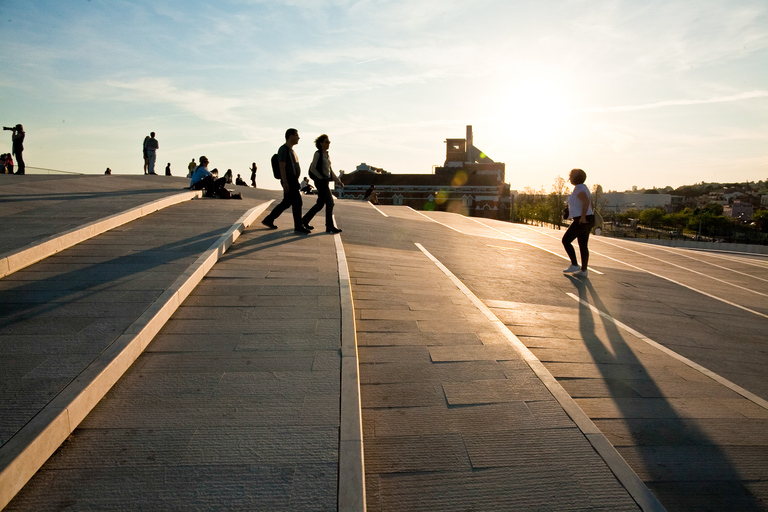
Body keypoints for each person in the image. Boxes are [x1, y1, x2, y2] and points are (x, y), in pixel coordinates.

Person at [261, 129, 309, 234]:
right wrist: (285, 182)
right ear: (290, 136)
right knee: (297, 202)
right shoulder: (283, 149)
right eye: (297, 135)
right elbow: (282, 166)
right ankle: (298, 226)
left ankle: (269, 219)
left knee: (287, 203)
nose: (298, 137)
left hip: (293, 180)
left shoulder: (292, 150)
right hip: (289, 180)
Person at [302, 134, 343, 234]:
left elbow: (330, 170)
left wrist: (338, 180)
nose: (328, 144)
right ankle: (329, 226)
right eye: (326, 142)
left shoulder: (326, 155)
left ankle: (304, 220)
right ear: (321, 143)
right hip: (321, 183)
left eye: (329, 142)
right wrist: (321, 178)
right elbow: (313, 168)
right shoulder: (318, 154)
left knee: (320, 204)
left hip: (325, 182)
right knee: (330, 203)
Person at [562, 168, 595, 278]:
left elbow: (586, 201)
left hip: (582, 220)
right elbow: (590, 203)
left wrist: (583, 216)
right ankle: (584, 270)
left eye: (571, 176)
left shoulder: (579, 188)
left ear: (575, 177)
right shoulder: (583, 187)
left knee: (566, 240)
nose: (569, 178)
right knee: (583, 244)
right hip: (588, 219)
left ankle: (575, 264)